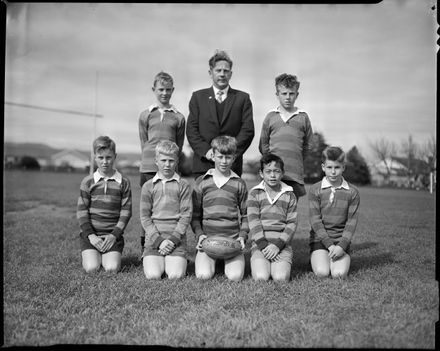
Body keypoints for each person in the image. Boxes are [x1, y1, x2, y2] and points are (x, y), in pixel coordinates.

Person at [186, 49, 254, 178]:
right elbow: (191, 130)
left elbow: (248, 131)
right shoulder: (198, 97)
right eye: (218, 70)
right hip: (203, 166)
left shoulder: (243, 98)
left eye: (226, 71)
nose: (222, 74)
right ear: (210, 72)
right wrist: (207, 152)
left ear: (231, 74)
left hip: (232, 167)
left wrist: (229, 154)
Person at [138, 71, 186, 254]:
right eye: (161, 89)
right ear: (154, 90)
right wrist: (152, 159)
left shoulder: (179, 117)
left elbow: (178, 145)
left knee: (168, 208)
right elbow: (144, 142)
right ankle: (147, 248)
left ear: (172, 90)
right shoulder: (145, 115)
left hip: (169, 168)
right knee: (148, 209)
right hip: (149, 168)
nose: (164, 93)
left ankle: (172, 245)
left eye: (168, 90)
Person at [192, 135, 248, 281]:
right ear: (213, 155)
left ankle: (227, 260)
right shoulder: (202, 182)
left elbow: (246, 215)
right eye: (220, 156)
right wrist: (199, 234)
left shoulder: (239, 183)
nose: (224, 161)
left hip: (232, 240)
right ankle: (213, 261)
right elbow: (195, 216)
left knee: (235, 277)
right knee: (203, 276)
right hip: (208, 241)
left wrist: (242, 235)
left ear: (234, 158)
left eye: (228, 157)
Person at [77, 136, 132, 273]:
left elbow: (126, 212)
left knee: (111, 268)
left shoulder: (123, 182)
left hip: (112, 236)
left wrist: (114, 235)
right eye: (100, 158)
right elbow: (81, 211)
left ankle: (109, 255)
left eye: (109, 157)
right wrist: (91, 236)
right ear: (94, 157)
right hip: (91, 236)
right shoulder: (88, 181)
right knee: (91, 268)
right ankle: (93, 254)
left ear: (115, 156)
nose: (105, 162)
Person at [140, 140, 192, 279]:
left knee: (175, 275)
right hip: (153, 239)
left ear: (177, 161)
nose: (167, 165)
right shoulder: (148, 186)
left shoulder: (184, 185)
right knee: (153, 275)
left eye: (171, 160)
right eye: (163, 160)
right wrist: (159, 241)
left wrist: (172, 240)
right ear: (156, 160)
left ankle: (179, 258)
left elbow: (186, 216)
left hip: (177, 239)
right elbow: (145, 218)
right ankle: (152, 257)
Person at [308, 146, 360, 279]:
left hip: (341, 241)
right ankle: (318, 257)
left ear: (343, 167)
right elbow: (315, 221)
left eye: (337, 167)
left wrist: (341, 246)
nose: (333, 172)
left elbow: (351, 223)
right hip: (320, 240)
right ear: (323, 167)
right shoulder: (315, 189)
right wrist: (329, 245)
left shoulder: (352, 192)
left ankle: (338, 258)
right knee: (322, 272)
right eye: (329, 167)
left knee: (339, 274)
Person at [259, 73, 313, 200]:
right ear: (277, 95)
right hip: (273, 173)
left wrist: (295, 159)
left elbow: (308, 145)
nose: (288, 97)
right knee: (272, 210)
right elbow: (263, 144)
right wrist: (272, 162)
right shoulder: (270, 116)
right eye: (284, 94)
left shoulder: (303, 117)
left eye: (291, 93)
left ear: (297, 94)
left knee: (291, 213)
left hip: (294, 175)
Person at [247, 153, 298, 281]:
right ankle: (261, 261)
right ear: (261, 173)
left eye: (276, 171)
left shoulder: (290, 195)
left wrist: (278, 245)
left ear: (282, 173)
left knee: (280, 278)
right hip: (260, 246)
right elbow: (253, 221)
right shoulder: (254, 193)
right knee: (261, 277)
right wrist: (264, 246)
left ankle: (281, 263)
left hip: (281, 246)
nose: (272, 175)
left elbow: (291, 223)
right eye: (268, 171)